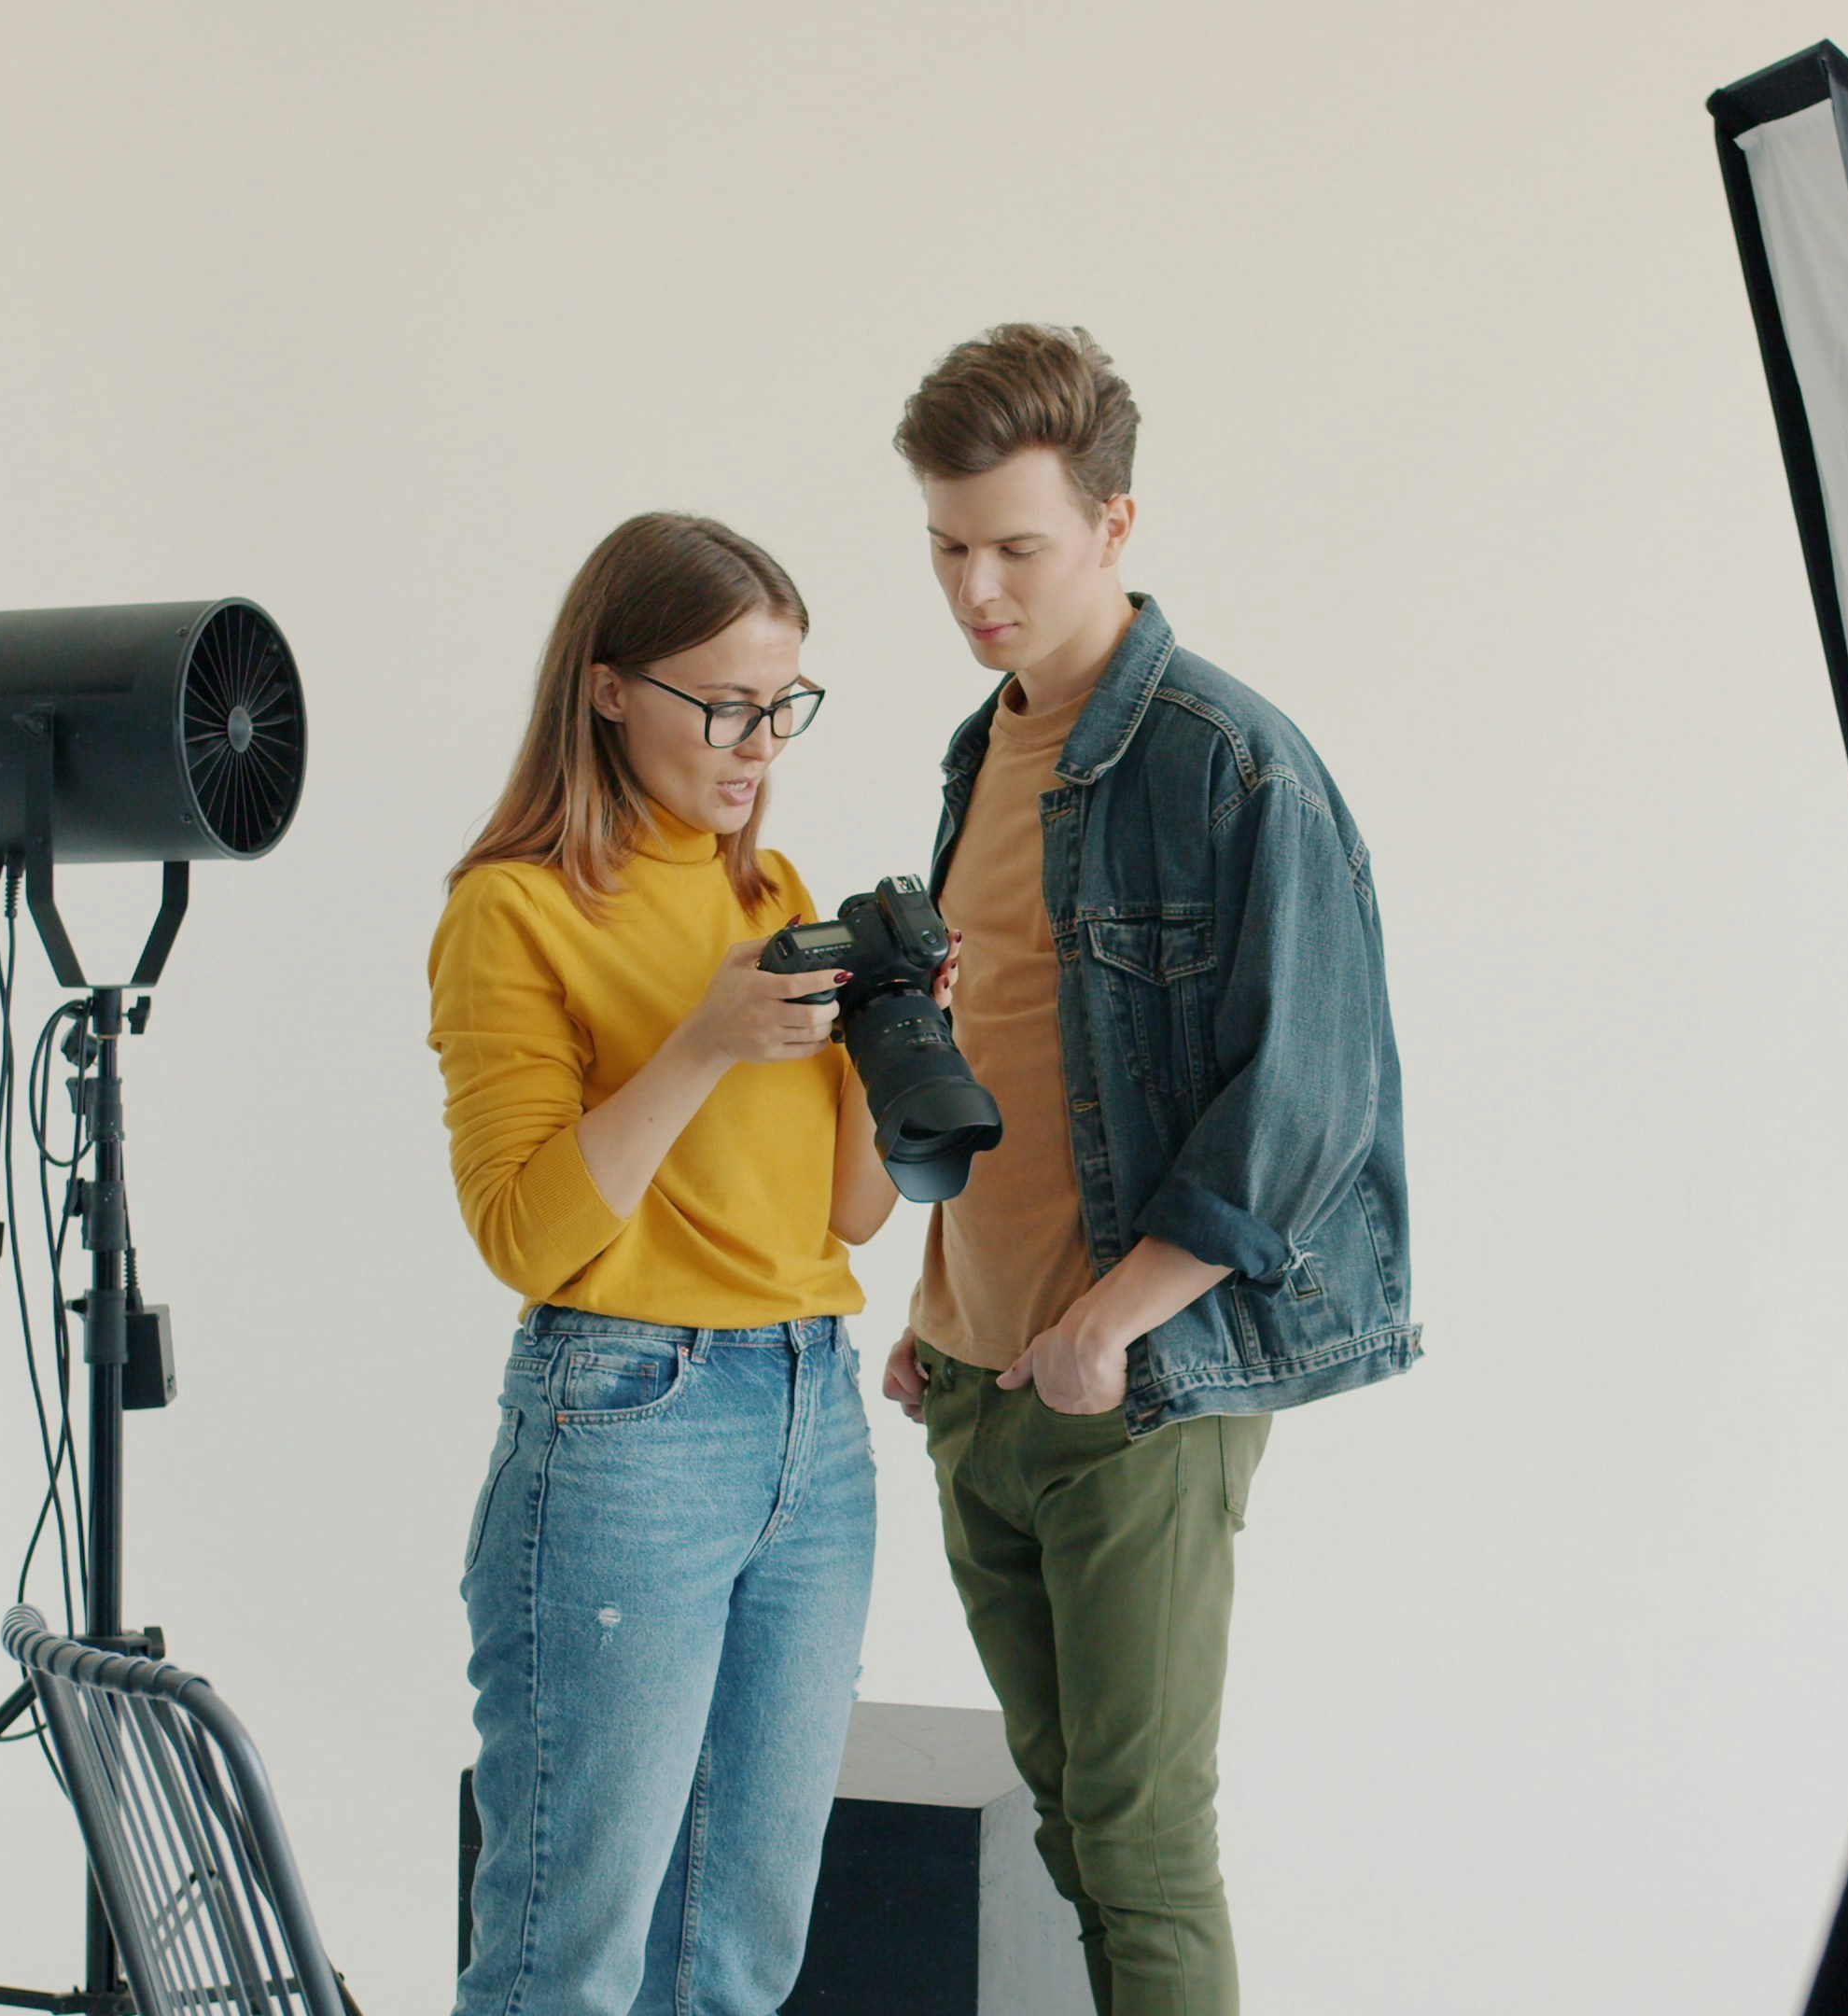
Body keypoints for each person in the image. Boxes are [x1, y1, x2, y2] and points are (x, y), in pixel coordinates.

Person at [880, 325, 1417, 2016]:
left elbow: (1312, 1094)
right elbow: (997, 1053)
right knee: (1069, 1830)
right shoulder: (982, 753)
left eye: (1015, 549)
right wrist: (932, 1302)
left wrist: (1118, 1319)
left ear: (1117, 527)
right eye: (948, 548)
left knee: (1143, 1837)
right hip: (978, 1372)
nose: (976, 589)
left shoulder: (1228, 762)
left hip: (1136, 1381)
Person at [429, 511, 908, 2016]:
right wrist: (702, 1041)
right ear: (610, 688)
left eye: (785, 704)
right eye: (726, 704)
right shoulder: (511, 908)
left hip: (809, 1421)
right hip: (627, 1419)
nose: (760, 743)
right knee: (567, 1946)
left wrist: (904, 1040)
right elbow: (527, 1231)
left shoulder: (776, 895)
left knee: (739, 1952)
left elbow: (847, 1217)